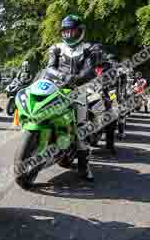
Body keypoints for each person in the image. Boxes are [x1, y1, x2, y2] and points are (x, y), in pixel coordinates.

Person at [45, 13, 109, 181]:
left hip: (79, 90)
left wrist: (76, 79)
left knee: (81, 126)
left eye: (72, 31)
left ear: (80, 31)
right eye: (66, 31)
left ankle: (84, 166)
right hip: (57, 87)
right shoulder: (56, 48)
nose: (69, 34)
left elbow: (90, 70)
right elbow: (49, 68)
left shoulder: (90, 49)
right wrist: (62, 76)